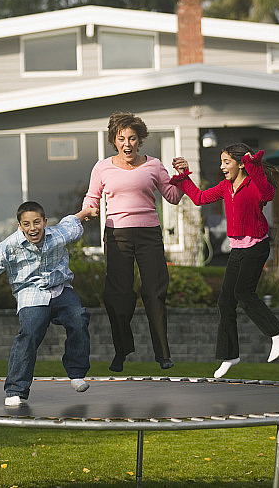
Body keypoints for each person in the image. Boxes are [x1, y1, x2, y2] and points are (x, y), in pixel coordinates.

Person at [0, 201, 97, 407]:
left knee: (78, 317)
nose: (33, 228)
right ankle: (15, 390)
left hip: (60, 288)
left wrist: (86, 212)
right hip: (31, 293)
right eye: (27, 224)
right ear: (19, 226)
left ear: (44, 222)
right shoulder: (10, 245)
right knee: (29, 333)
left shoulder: (58, 234)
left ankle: (76, 373)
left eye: (37, 222)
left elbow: (72, 222)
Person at [171, 143, 279, 378]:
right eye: (221, 162)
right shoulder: (225, 187)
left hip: (256, 247)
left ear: (241, 164)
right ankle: (229, 355)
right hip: (237, 249)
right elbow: (199, 198)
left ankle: (278, 334)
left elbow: (268, 194)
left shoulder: (254, 185)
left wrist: (254, 167)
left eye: (226, 162)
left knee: (243, 293)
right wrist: (183, 177)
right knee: (225, 301)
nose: (222, 167)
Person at [83, 111, 184, 372]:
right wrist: (88, 211)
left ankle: (163, 354)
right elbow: (92, 197)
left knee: (154, 292)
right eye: (121, 138)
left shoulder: (154, 165)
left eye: (132, 138)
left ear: (140, 140)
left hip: (149, 234)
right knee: (116, 296)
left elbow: (173, 196)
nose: (127, 144)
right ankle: (122, 350)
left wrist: (182, 176)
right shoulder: (102, 167)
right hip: (117, 235)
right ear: (114, 141)